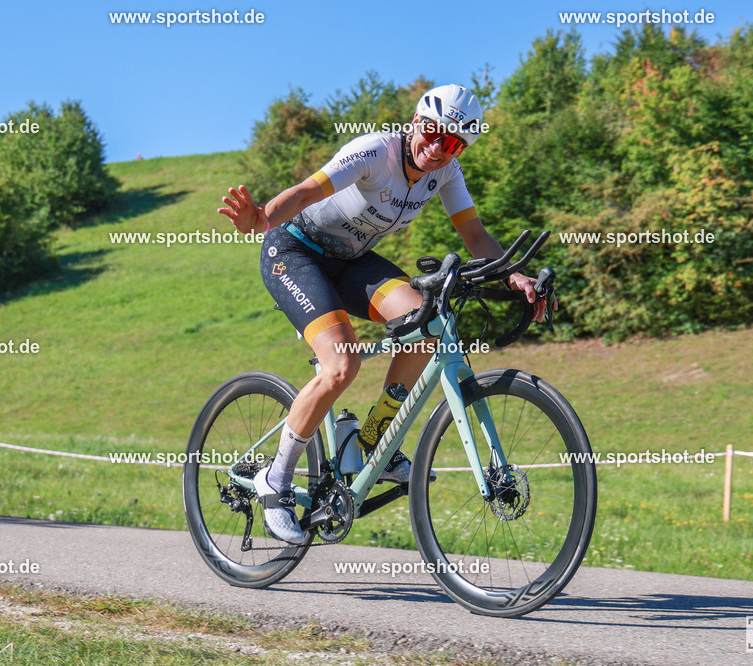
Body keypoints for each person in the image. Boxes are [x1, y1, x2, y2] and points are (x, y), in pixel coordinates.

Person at [218, 84, 555, 543]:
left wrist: (515, 276)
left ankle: (371, 439)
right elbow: (305, 191)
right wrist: (262, 218)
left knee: (429, 324)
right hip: (296, 252)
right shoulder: (374, 151)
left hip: (353, 263)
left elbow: (475, 236)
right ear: (417, 121)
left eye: (452, 142)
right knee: (342, 364)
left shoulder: (447, 173)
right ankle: (274, 481)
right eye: (434, 132)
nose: (437, 148)